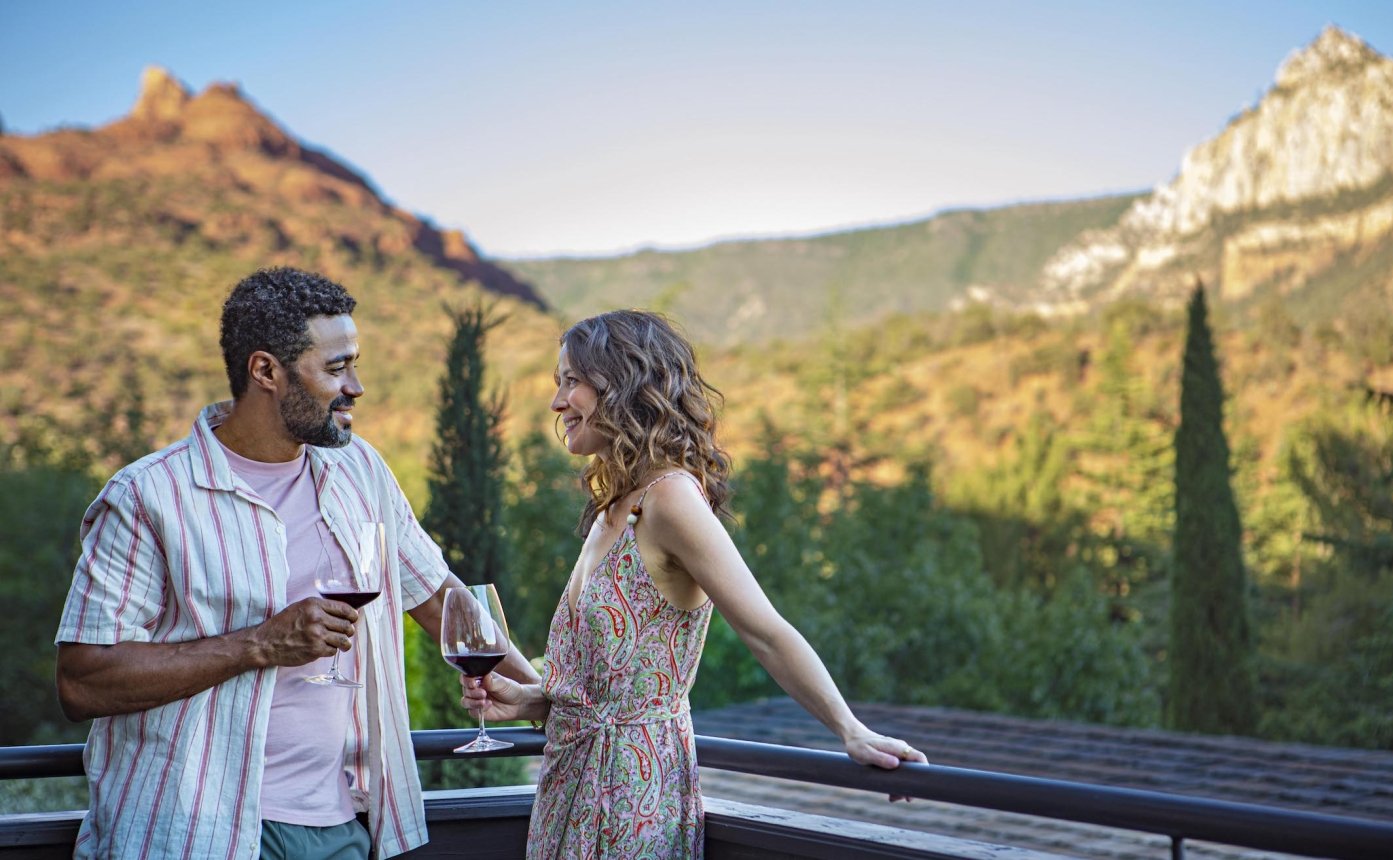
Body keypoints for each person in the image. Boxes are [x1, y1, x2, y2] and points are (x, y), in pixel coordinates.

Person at [54, 266, 537, 860]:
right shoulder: (147, 496)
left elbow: (442, 599)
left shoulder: (361, 470)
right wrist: (259, 645)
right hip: (187, 831)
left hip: (337, 827)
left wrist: (542, 703)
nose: (356, 386)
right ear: (266, 372)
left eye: (354, 364)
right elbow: (81, 681)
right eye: (336, 368)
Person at [468, 309, 928, 858]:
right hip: (567, 786)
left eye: (572, 382)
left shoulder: (671, 501)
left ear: (623, 385)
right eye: (557, 383)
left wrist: (850, 729)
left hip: (632, 798)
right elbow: (613, 682)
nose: (557, 402)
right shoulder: (615, 506)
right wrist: (529, 700)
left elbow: (765, 631)